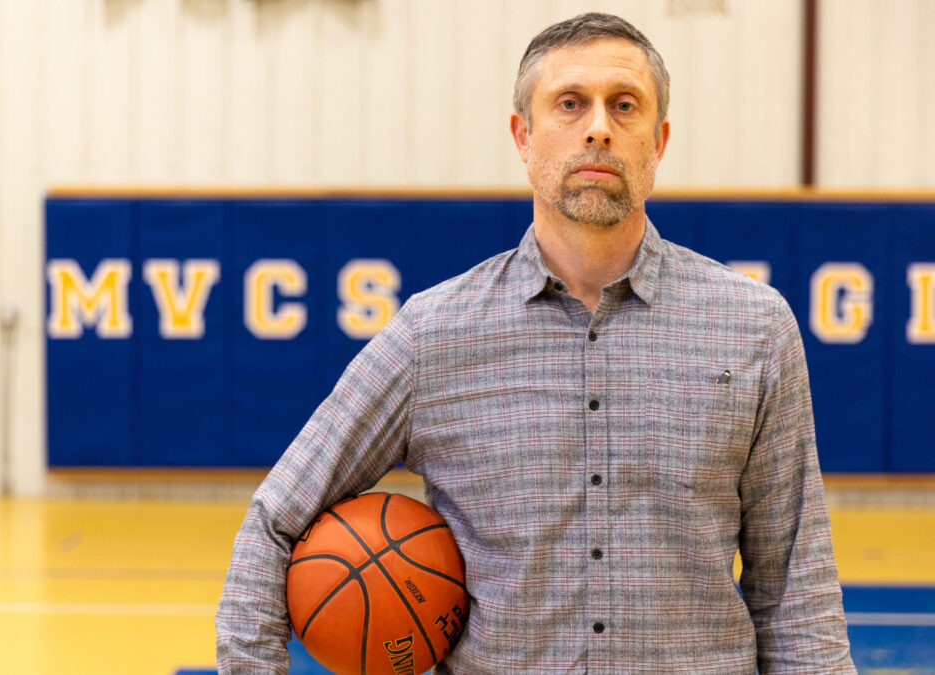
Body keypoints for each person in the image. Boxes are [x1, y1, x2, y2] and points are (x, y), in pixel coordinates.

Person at [216, 12, 855, 673]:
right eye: (570, 103)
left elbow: (795, 593)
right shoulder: (432, 336)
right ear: (523, 136)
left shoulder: (753, 328)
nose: (599, 126)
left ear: (658, 142)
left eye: (625, 105)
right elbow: (275, 521)